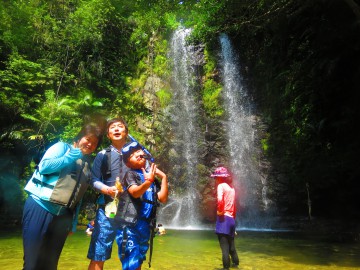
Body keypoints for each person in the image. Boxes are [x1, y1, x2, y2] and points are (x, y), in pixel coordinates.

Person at [22, 124, 103, 270]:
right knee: (32, 263)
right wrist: (72, 155)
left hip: (62, 217)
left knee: (50, 265)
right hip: (40, 206)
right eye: (88, 139)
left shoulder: (86, 165)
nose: (90, 144)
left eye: (94, 143)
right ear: (79, 138)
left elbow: (78, 196)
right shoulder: (62, 148)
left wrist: (73, 222)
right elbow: (45, 167)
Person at [115, 141, 168, 270]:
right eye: (132, 155)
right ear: (128, 163)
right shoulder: (130, 174)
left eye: (139, 151)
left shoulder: (152, 179)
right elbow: (134, 192)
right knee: (131, 261)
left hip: (145, 225)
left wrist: (164, 177)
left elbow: (162, 198)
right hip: (129, 224)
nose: (137, 154)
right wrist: (147, 182)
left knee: (138, 260)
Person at [87, 117, 129, 270]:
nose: (116, 129)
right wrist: (107, 189)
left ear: (126, 132)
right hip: (107, 209)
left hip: (131, 210)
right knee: (99, 252)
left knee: (132, 253)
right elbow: (94, 179)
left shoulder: (136, 153)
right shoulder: (102, 154)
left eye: (120, 126)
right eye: (112, 128)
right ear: (108, 135)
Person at [210, 166, 239, 270]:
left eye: (216, 177)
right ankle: (236, 265)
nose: (215, 179)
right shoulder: (232, 188)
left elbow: (220, 200)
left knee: (224, 248)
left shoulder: (221, 186)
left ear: (219, 178)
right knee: (232, 246)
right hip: (231, 219)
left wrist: (220, 211)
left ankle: (225, 268)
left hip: (223, 219)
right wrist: (234, 223)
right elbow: (234, 206)